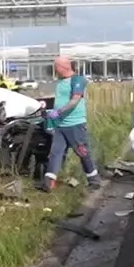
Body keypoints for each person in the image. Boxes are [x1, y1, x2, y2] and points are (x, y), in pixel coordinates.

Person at [40, 55, 101, 192]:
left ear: (64, 67)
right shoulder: (61, 82)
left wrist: (59, 112)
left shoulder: (77, 80)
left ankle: (93, 179)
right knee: (56, 153)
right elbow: (61, 99)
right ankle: (48, 183)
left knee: (82, 151)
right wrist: (48, 107)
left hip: (75, 124)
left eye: (56, 66)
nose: (55, 69)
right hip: (60, 125)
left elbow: (75, 100)